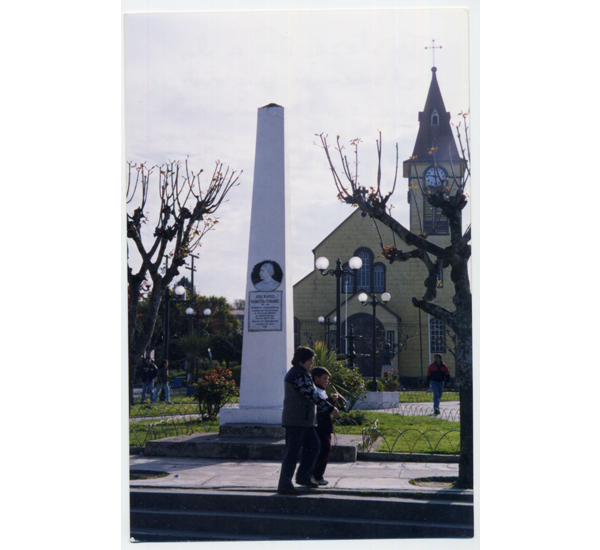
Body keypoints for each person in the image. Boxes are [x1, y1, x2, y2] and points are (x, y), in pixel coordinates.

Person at [277, 346, 340, 495]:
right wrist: (331, 408)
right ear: (302, 360)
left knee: (314, 446)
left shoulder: (299, 373)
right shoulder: (299, 374)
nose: (312, 364)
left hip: (304, 421)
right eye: (310, 360)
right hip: (297, 420)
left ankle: (303, 476)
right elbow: (311, 395)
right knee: (293, 452)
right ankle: (285, 483)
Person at [311, 366, 339, 486]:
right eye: (325, 379)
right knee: (324, 449)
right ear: (316, 379)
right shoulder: (316, 391)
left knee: (326, 449)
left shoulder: (322, 390)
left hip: (326, 426)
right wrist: (331, 401)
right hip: (320, 426)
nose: (327, 381)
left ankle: (317, 474)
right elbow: (320, 407)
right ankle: (317, 475)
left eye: (327, 379)